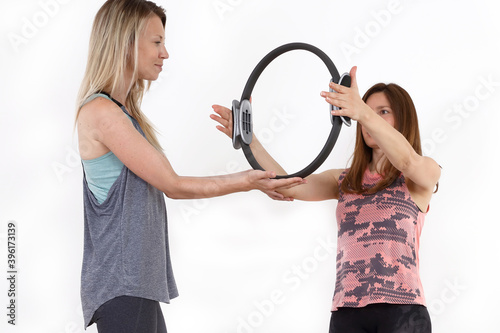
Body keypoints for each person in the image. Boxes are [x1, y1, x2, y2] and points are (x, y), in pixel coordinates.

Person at [74, 0, 304, 331]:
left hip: (136, 286)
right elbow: (173, 184)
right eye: (156, 42)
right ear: (125, 42)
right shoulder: (101, 113)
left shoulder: (123, 114)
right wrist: (249, 181)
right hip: (122, 285)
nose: (164, 53)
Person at [211, 66, 441, 333]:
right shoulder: (344, 181)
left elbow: (406, 159)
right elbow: (288, 186)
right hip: (347, 313)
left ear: (403, 120)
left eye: (383, 112)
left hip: (403, 311)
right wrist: (250, 141)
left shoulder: (421, 174)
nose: (370, 119)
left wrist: (361, 111)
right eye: (368, 110)